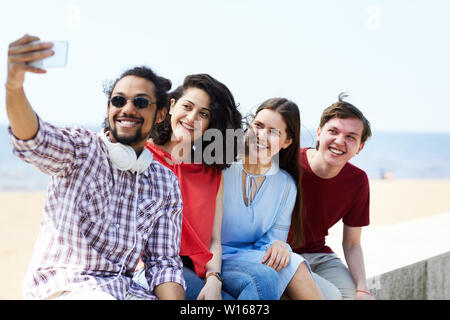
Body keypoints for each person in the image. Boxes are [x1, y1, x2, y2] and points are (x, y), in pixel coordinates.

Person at [6, 34, 185, 300]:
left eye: (141, 102)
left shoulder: (165, 182)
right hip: (65, 288)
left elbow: (164, 263)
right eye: (118, 100)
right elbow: (34, 138)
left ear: (160, 114)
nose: (127, 108)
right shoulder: (81, 149)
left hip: (126, 291)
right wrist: (14, 87)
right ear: (108, 108)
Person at [134, 74, 279, 300]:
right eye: (187, 107)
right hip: (155, 264)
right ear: (172, 106)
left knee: (267, 279)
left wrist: (214, 279)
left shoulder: (211, 173)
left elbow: (214, 240)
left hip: (200, 265)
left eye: (203, 114)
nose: (192, 118)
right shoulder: (141, 155)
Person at [221, 98, 324, 300]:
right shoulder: (222, 168)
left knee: (295, 264)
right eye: (258, 126)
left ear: (287, 142)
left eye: (273, 132)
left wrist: (279, 245)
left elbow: (272, 240)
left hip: (250, 258)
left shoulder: (286, 186)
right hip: (214, 257)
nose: (261, 136)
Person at [287, 93, 374, 300]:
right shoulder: (289, 163)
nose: (339, 141)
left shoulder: (357, 181)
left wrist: (362, 287)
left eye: (351, 137)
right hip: (282, 254)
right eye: (333, 131)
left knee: (354, 297)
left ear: (360, 147)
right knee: (330, 296)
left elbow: (352, 243)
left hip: (319, 255)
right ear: (318, 133)